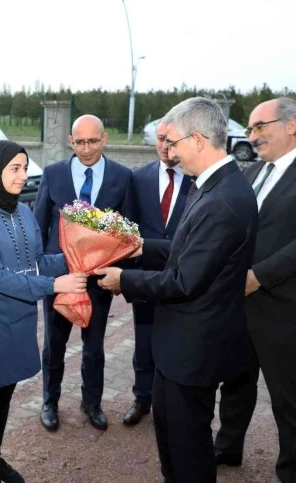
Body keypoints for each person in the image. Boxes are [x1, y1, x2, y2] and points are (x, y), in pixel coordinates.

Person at [96, 97, 258, 483]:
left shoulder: (223, 199)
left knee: (188, 450)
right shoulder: (213, 185)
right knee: (170, 435)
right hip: (179, 346)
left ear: (198, 140)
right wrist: (143, 247)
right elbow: (192, 248)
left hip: (194, 349)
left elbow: (184, 280)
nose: (170, 153)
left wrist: (123, 279)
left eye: (175, 143)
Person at [214, 98, 296, 483]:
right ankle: (227, 448)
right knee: (236, 384)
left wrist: (256, 277)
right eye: (251, 129)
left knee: (288, 397)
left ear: (291, 125)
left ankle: (294, 471)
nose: (252, 136)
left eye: (260, 127)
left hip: (286, 309)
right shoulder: (256, 170)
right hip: (241, 304)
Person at [0, 140, 87, 483]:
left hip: (20, 321)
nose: (22, 176)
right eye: (14, 168)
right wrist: (55, 286)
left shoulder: (23, 210)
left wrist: (82, 256)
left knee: (5, 394)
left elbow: (38, 262)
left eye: (25, 168)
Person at [34, 114, 132, 432]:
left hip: (98, 279)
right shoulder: (52, 174)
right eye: (80, 142)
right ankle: (49, 401)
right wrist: (45, 270)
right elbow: (38, 227)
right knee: (54, 344)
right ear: (70, 142)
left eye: (92, 141)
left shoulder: (122, 176)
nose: (86, 148)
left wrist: (118, 272)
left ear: (104, 139)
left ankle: (92, 403)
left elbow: (128, 232)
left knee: (94, 347)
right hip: (60, 276)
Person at [121, 121, 196, 426]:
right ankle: (142, 399)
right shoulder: (137, 178)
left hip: (184, 278)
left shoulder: (198, 180)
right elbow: (128, 229)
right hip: (145, 279)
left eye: (171, 140)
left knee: (179, 344)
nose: (166, 146)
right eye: (161, 139)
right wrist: (125, 275)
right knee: (144, 343)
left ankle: (173, 403)